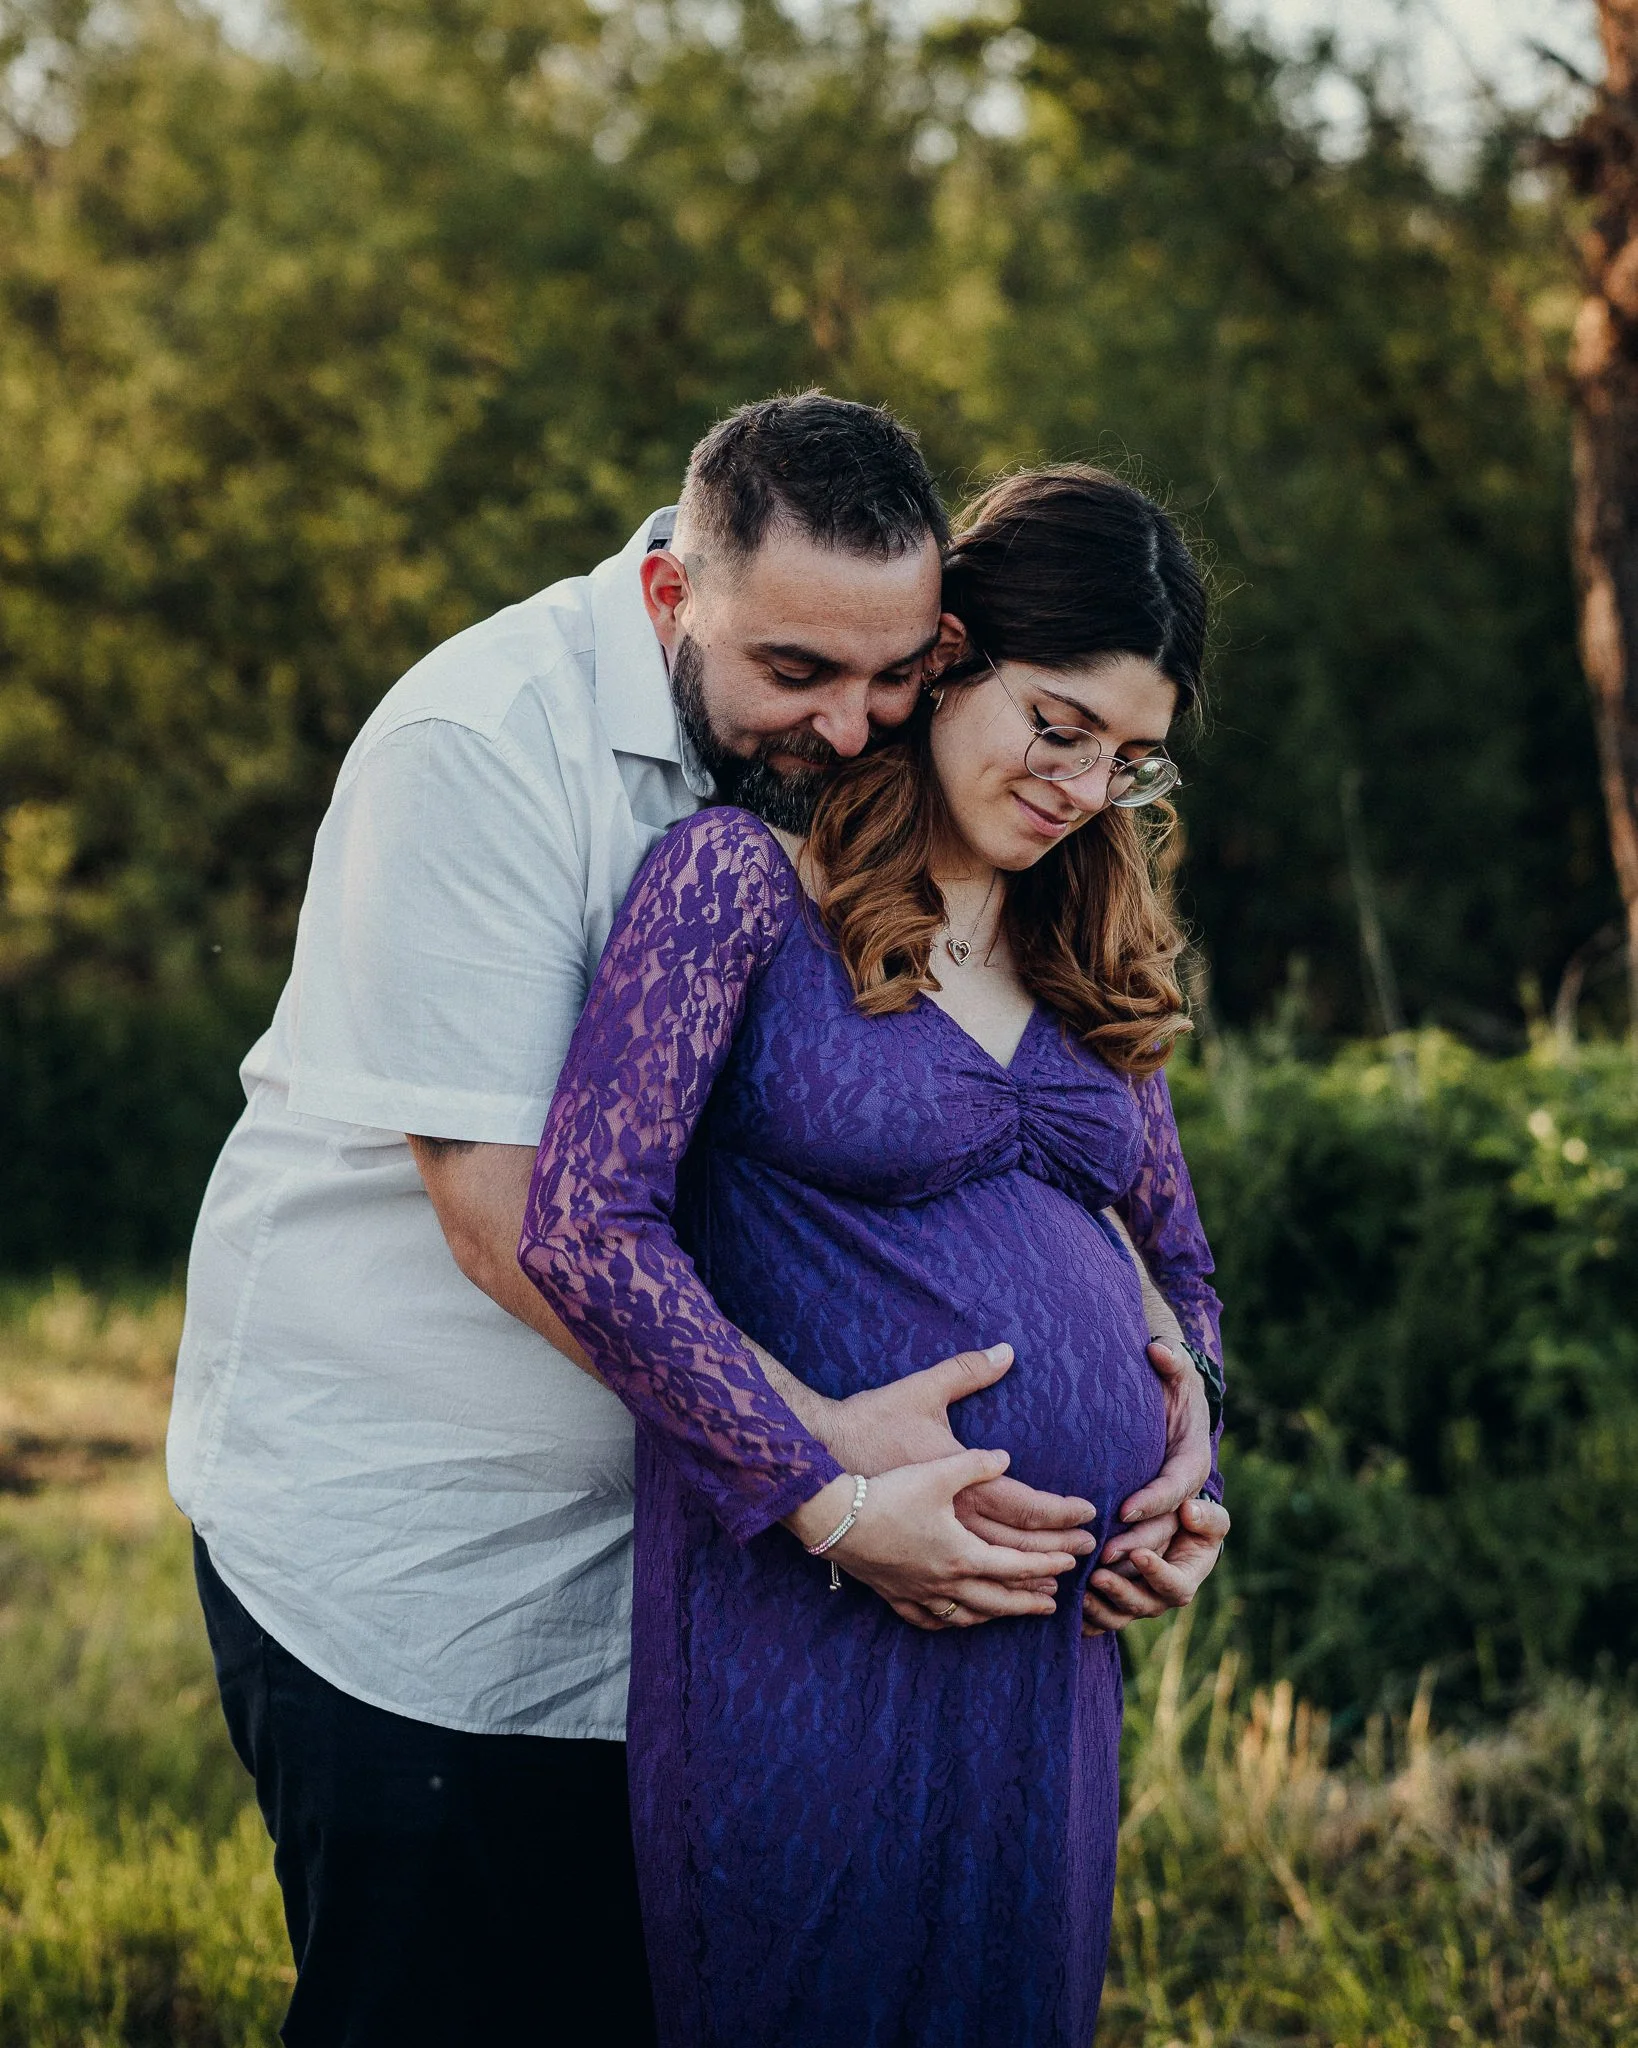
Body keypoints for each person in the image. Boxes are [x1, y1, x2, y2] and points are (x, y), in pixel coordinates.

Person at [167, 395, 1222, 2046]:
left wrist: (1175, 1388)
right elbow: (522, 1220)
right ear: (673, 595)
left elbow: (1120, 1204)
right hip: (434, 1547)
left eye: (891, 678)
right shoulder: (484, 748)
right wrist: (825, 1477)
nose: (855, 726)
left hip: (736, 1574)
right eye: (799, 677)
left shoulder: (884, 813)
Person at [519, 464, 1228, 2047]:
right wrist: (813, 1488)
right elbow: (583, 1224)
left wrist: (1197, 1455)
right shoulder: (736, 893)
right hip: (812, 1607)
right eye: (1057, 724)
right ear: (946, 660)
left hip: (1048, 1650)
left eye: (1126, 758)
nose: (1080, 787)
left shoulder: (1084, 948)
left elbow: (1184, 1270)